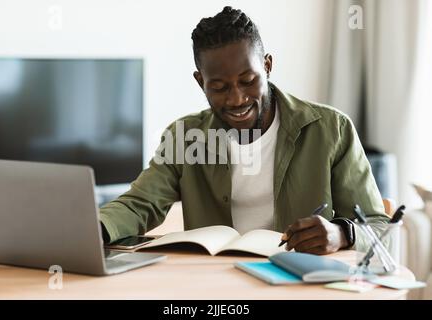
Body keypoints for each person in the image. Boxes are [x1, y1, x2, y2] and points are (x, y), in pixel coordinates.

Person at [100, 6, 389, 254]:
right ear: (201, 82)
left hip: (298, 283)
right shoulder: (184, 137)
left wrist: (342, 234)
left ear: (267, 66)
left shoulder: (331, 130)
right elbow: (140, 204)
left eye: (248, 80)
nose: (237, 99)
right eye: (219, 87)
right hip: (216, 285)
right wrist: (95, 229)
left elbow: (379, 228)